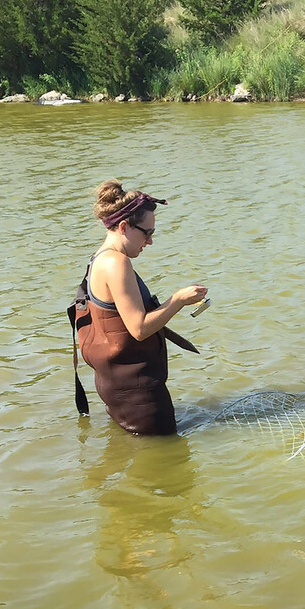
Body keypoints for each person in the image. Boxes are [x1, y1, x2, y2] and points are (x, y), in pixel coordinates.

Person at [68, 179, 208, 435]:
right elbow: (139, 329)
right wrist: (177, 300)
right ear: (123, 227)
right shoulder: (117, 263)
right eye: (148, 232)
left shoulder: (99, 258)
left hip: (116, 388)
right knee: (172, 465)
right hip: (138, 395)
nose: (150, 241)